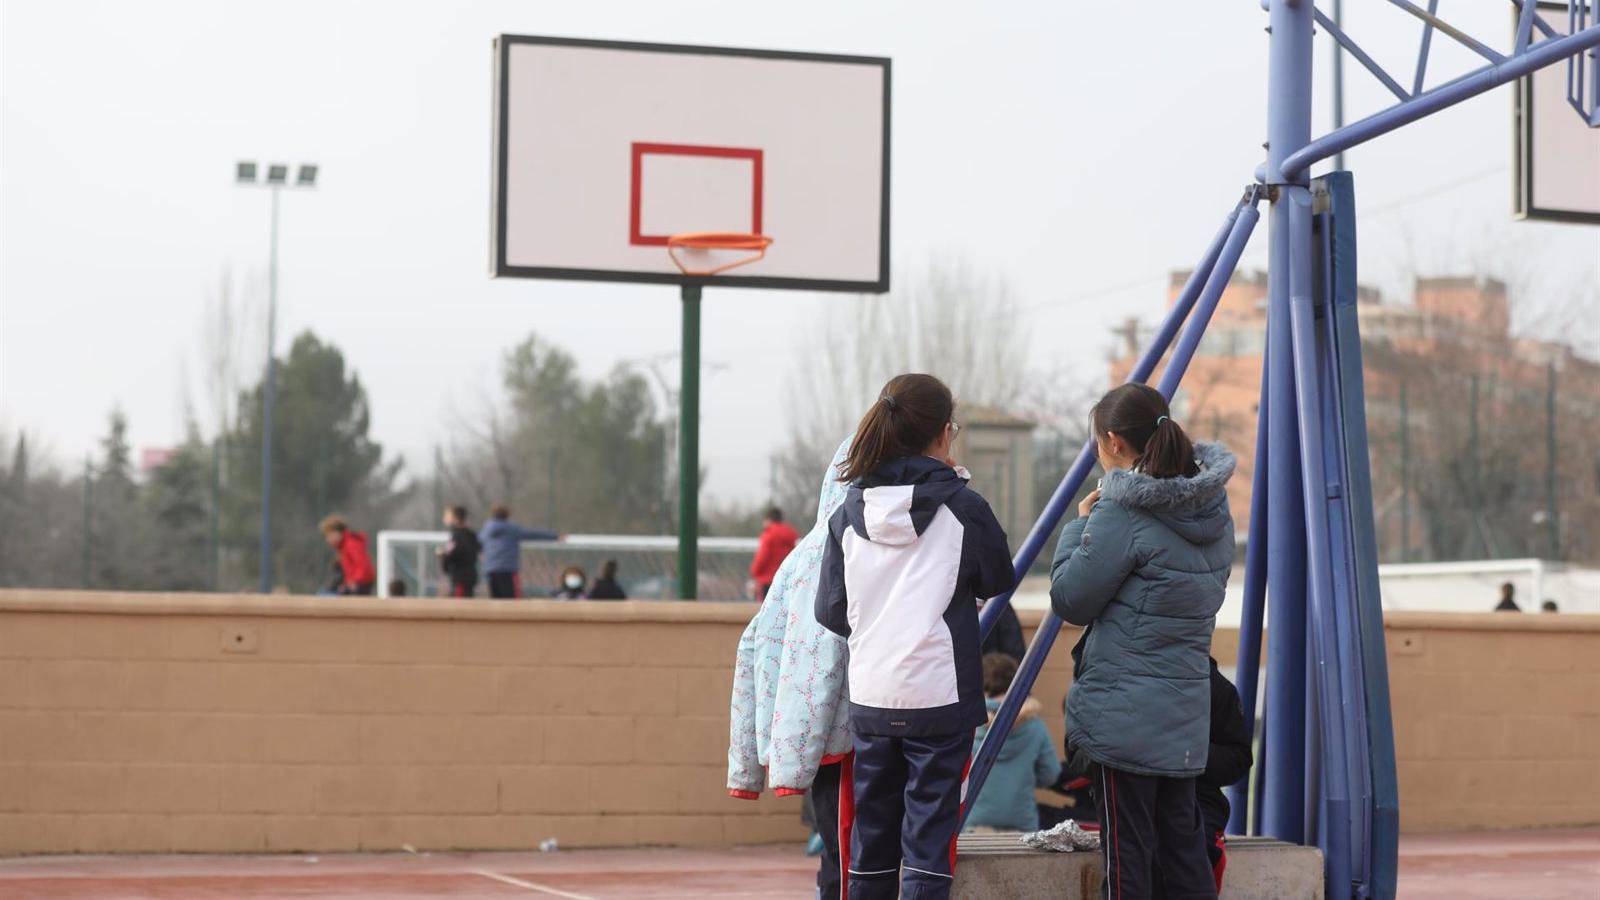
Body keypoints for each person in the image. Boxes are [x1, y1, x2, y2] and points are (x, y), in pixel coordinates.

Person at [816, 374, 1014, 900]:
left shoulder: (847, 514)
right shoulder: (964, 508)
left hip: (873, 696)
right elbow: (999, 579)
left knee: (872, 836)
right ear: (946, 433)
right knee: (928, 840)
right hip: (940, 695)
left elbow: (831, 610)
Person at [1050, 382, 1235, 900]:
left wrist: (1077, 530)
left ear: (1112, 441)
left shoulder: (1121, 513)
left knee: (1128, 858)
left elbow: (1071, 599)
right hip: (1185, 714)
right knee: (1182, 848)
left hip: (1123, 720)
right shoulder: (1213, 510)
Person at [729, 434, 856, 900]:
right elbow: (807, 652)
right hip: (849, 731)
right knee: (851, 856)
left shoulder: (799, 558)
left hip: (838, 733)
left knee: (845, 856)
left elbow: (756, 649)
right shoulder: (828, 551)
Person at [964, 653, 1061, 833]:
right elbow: (1050, 773)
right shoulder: (1034, 725)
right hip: (1022, 822)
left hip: (973, 821)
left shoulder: (968, 724)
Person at [479, 506, 559, 599]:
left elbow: (478, 543)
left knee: (496, 600)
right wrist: (554, 536)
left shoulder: (485, 530)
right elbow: (533, 534)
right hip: (507, 569)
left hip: (491, 569)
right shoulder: (511, 529)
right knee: (512, 600)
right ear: (507, 515)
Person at [750, 506, 799, 600]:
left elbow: (762, 558)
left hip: (768, 580)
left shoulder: (769, 535)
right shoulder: (791, 535)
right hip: (786, 579)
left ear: (768, 519)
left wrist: (754, 571)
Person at [319, 515, 376, 596]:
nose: (328, 539)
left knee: (326, 595)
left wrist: (355, 581)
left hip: (361, 584)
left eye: (329, 535)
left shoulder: (351, 544)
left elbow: (363, 565)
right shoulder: (344, 546)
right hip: (356, 583)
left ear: (337, 532)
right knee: (325, 593)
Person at [437, 505, 482, 598]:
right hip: (468, 576)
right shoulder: (470, 534)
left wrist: (443, 554)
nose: (445, 518)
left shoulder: (458, 536)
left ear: (456, 519)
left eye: (448, 516)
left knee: (461, 605)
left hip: (461, 578)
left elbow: (452, 553)